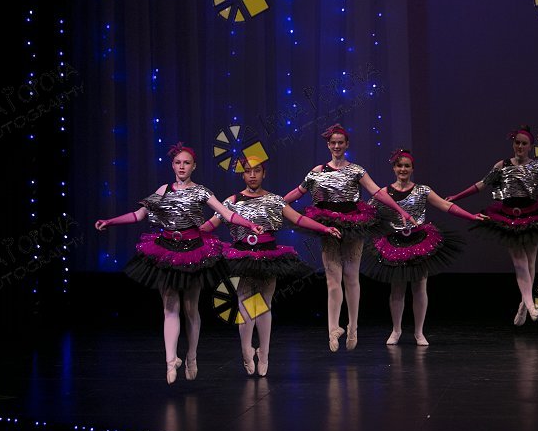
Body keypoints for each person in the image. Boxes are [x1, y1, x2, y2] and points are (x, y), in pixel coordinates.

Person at [95, 142, 262, 384]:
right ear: (172, 166)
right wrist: (110, 222)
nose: (182, 166)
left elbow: (227, 214)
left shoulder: (202, 191)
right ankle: (170, 360)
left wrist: (249, 224)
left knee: (190, 308)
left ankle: (191, 356)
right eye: (178, 162)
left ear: (194, 166)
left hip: (193, 251)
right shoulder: (163, 190)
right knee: (169, 307)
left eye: (186, 163)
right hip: (166, 249)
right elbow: (139, 215)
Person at [200, 157, 341, 376]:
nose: (252, 175)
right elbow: (210, 224)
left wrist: (324, 228)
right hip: (243, 256)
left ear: (264, 174)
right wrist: (186, 234)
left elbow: (298, 219)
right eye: (248, 171)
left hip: (268, 257)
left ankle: (264, 354)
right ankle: (247, 351)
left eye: (257, 170)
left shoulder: (275, 200)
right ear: (242, 175)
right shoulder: (231, 201)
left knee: (263, 305)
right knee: (246, 306)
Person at [284, 124, 417, 352]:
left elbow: (377, 192)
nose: (336, 146)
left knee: (351, 276)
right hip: (327, 224)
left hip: (353, 224)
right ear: (328, 145)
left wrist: (400, 210)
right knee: (332, 279)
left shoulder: (356, 170)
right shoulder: (317, 171)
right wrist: (276, 203)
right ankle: (332, 329)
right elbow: (298, 192)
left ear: (346, 145)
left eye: (340, 142)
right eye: (333, 143)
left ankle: (353, 326)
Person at [447, 125, 538, 325]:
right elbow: (481, 184)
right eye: (517, 142)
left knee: (530, 263)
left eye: (524, 143)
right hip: (507, 216)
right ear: (513, 144)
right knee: (519, 262)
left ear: (530, 146)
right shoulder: (502, 165)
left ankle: (523, 306)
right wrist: (456, 197)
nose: (519, 146)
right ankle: (531, 304)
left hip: (533, 215)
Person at [364, 148, 487, 345]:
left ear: (412, 169)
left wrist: (471, 216)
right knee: (397, 288)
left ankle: (419, 332)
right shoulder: (384, 193)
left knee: (420, 286)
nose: (403, 169)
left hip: (419, 241)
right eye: (399, 165)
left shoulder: (422, 190)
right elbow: (368, 211)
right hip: (395, 243)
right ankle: (396, 330)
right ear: (394, 168)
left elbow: (446, 206)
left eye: (407, 166)